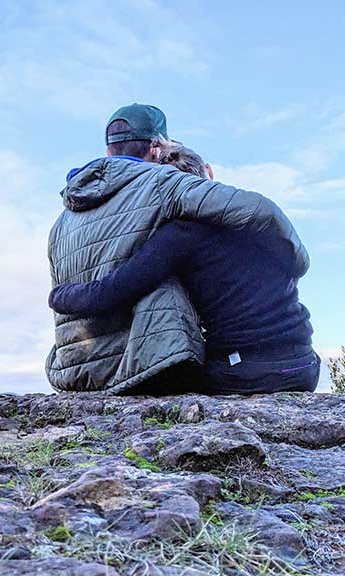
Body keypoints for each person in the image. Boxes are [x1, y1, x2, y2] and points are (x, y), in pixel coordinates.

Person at [45, 104, 309, 394]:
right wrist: (296, 263)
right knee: (164, 276)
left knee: (159, 268)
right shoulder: (165, 187)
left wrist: (57, 297)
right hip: (148, 365)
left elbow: (107, 290)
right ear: (156, 149)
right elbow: (262, 210)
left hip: (75, 371)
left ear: (109, 151)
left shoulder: (60, 223)